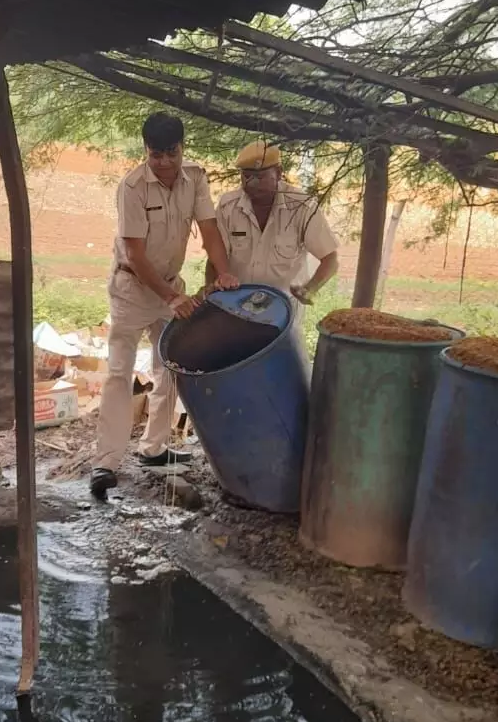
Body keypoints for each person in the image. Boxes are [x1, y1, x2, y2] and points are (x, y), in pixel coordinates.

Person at [90, 113, 238, 498]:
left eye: (170, 153)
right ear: (146, 151)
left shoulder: (196, 178)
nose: (164, 163)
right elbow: (136, 255)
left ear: (181, 147)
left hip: (170, 288)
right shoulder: (132, 187)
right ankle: (105, 463)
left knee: (170, 366)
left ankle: (153, 448)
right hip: (131, 289)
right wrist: (172, 298)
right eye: (155, 155)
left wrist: (223, 272)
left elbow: (209, 232)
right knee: (120, 373)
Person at [207, 140, 339, 316]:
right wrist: (211, 287)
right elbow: (215, 255)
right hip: (236, 305)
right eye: (247, 176)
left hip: (283, 310)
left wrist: (310, 289)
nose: (252, 183)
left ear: (278, 173)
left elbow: (330, 259)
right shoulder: (227, 206)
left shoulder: (302, 206)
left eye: (260, 177)